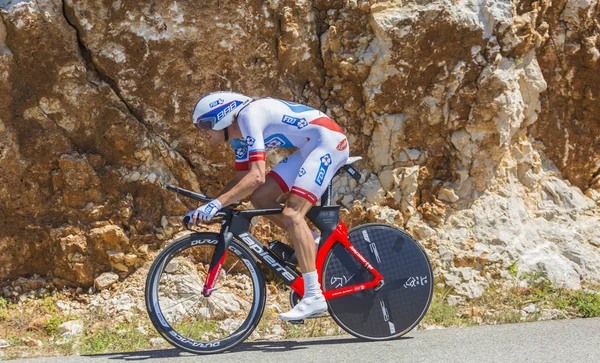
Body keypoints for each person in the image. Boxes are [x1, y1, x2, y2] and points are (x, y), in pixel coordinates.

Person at [183, 91, 350, 320]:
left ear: (221, 117)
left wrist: (214, 206)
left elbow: (257, 176)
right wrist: (211, 205)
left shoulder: (249, 115)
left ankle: (313, 296)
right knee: (260, 198)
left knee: (293, 214)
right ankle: (313, 242)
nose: (201, 133)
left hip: (329, 142)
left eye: (204, 125)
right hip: (310, 149)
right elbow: (243, 180)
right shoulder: (237, 138)